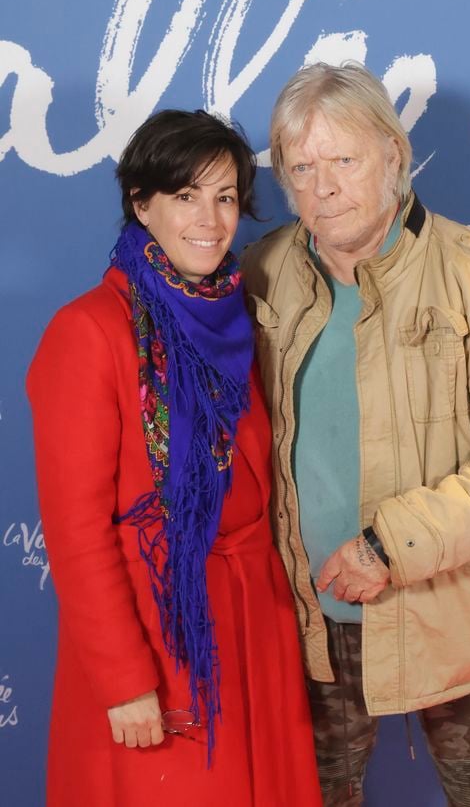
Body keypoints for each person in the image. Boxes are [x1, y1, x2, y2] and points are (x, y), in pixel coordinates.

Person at [242, 63, 470, 807]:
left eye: (344, 160)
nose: (321, 187)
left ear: (394, 153)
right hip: (314, 629)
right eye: (302, 166)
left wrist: (389, 545)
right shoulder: (262, 275)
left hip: (457, 626)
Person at [27, 109, 322, 807]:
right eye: (186, 195)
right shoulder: (88, 331)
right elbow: (76, 533)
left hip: (256, 623)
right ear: (142, 204)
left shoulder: (236, 316)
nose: (210, 219)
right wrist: (124, 679)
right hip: (161, 636)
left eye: (225, 198)